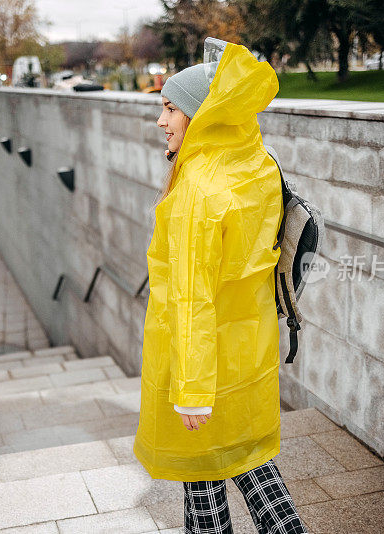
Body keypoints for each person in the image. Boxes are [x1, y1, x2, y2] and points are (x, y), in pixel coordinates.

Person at [132, 37, 310, 534]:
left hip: (202, 362)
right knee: (250, 463)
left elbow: (191, 296)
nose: (161, 121)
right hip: (245, 352)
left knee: (204, 480)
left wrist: (191, 391)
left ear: (202, 115)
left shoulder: (199, 191)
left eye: (170, 108)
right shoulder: (254, 163)